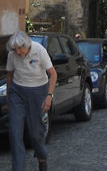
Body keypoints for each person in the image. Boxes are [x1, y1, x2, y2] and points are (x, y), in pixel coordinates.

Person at [6, 30, 57, 171]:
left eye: (20, 48)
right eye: (14, 49)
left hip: (38, 91)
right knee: (15, 133)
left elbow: (53, 75)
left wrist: (49, 96)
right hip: (18, 92)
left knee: (35, 133)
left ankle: (41, 158)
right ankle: (18, 168)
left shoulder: (39, 50)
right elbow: (9, 76)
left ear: (27, 45)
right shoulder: (12, 55)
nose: (17, 52)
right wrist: (9, 99)